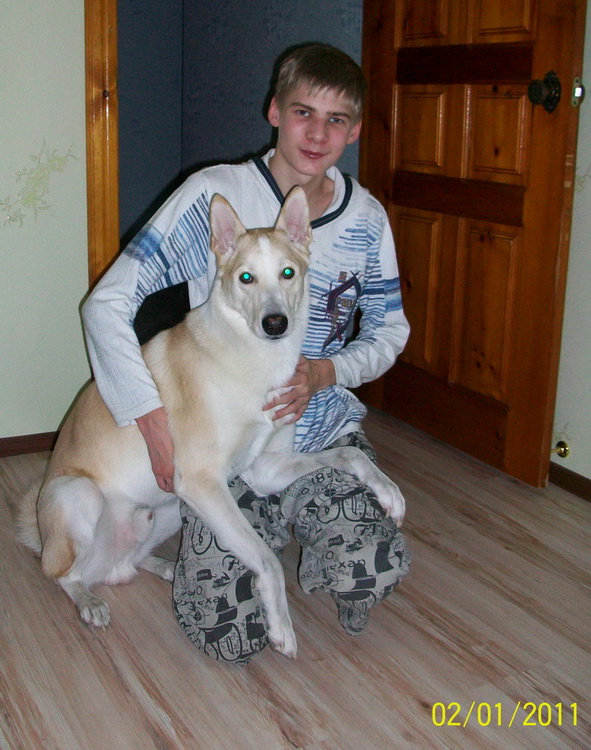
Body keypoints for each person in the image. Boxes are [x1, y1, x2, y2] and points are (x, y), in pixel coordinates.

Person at [82, 43, 411, 665]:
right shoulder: (215, 194)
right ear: (275, 112)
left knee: (370, 568)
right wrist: (148, 417)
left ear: (355, 131)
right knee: (224, 631)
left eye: (336, 120)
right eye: (303, 113)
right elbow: (106, 304)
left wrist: (328, 371)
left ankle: (313, 528)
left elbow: (390, 332)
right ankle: (266, 528)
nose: (318, 134)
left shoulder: (366, 218)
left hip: (315, 427)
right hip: (223, 442)